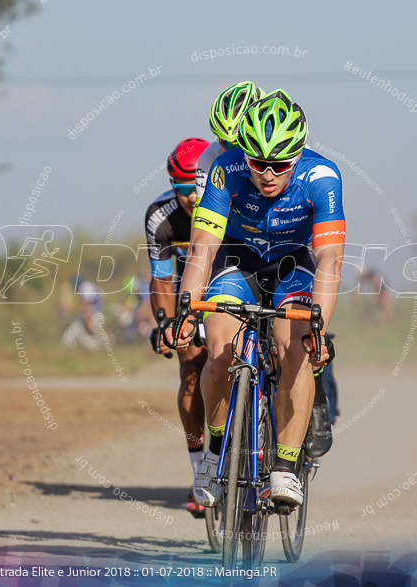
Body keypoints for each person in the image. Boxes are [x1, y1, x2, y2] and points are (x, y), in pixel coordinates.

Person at [172, 90, 345, 508]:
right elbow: (202, 250)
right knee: (218, 353)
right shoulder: (224, 170)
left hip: (293, 263)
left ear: (298, 154)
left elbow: (329, 259)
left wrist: (317, 327)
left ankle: (285, 467)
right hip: (237, 259)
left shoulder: (322, 177)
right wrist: (186, 307)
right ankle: (215, 453)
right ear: (243, 154)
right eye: (258, 164)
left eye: (280, 165)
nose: (267, 175)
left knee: (295, 349)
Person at [144, 137, 211, 517]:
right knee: (191, 373)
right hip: (189, 297)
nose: (189, 197)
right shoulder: (161, 218)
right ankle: (200, 471)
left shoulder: (227, 200)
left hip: (228, 285)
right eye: (180, 189)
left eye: (194, 187)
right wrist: (165, 324)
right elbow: (162, 280)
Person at [194, 81, 264, 205]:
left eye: (241, 144)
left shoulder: (297, 153)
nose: (235, 152)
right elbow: (199, 215)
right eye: (228, 144)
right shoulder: (210, 156)